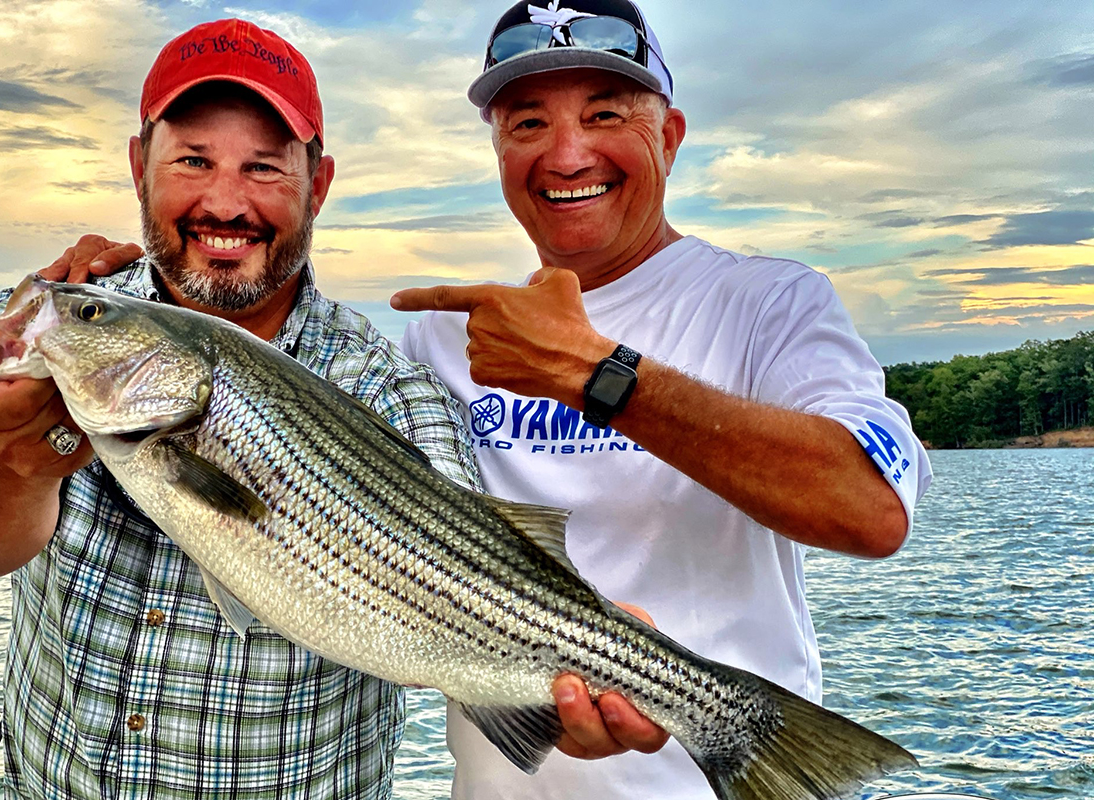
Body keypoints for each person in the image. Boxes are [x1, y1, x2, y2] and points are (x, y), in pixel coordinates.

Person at [48, 1, 932, 798]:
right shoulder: (444, 338)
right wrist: (112, 295)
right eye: (527, 121)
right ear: (499, 150)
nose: (567, 152)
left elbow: (872, 510)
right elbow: (366, 518)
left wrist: (600, 376)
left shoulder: (774, 304)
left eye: (606, 114)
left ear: (671, 136)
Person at [0, 19, 487, 800]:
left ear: (316, 186)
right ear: (138, 167)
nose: (225, 202)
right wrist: (10, 460)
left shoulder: (394, 389)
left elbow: (478, 580)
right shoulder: (36, 331)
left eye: (263, 168)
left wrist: (575, 670)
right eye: (192, 160)